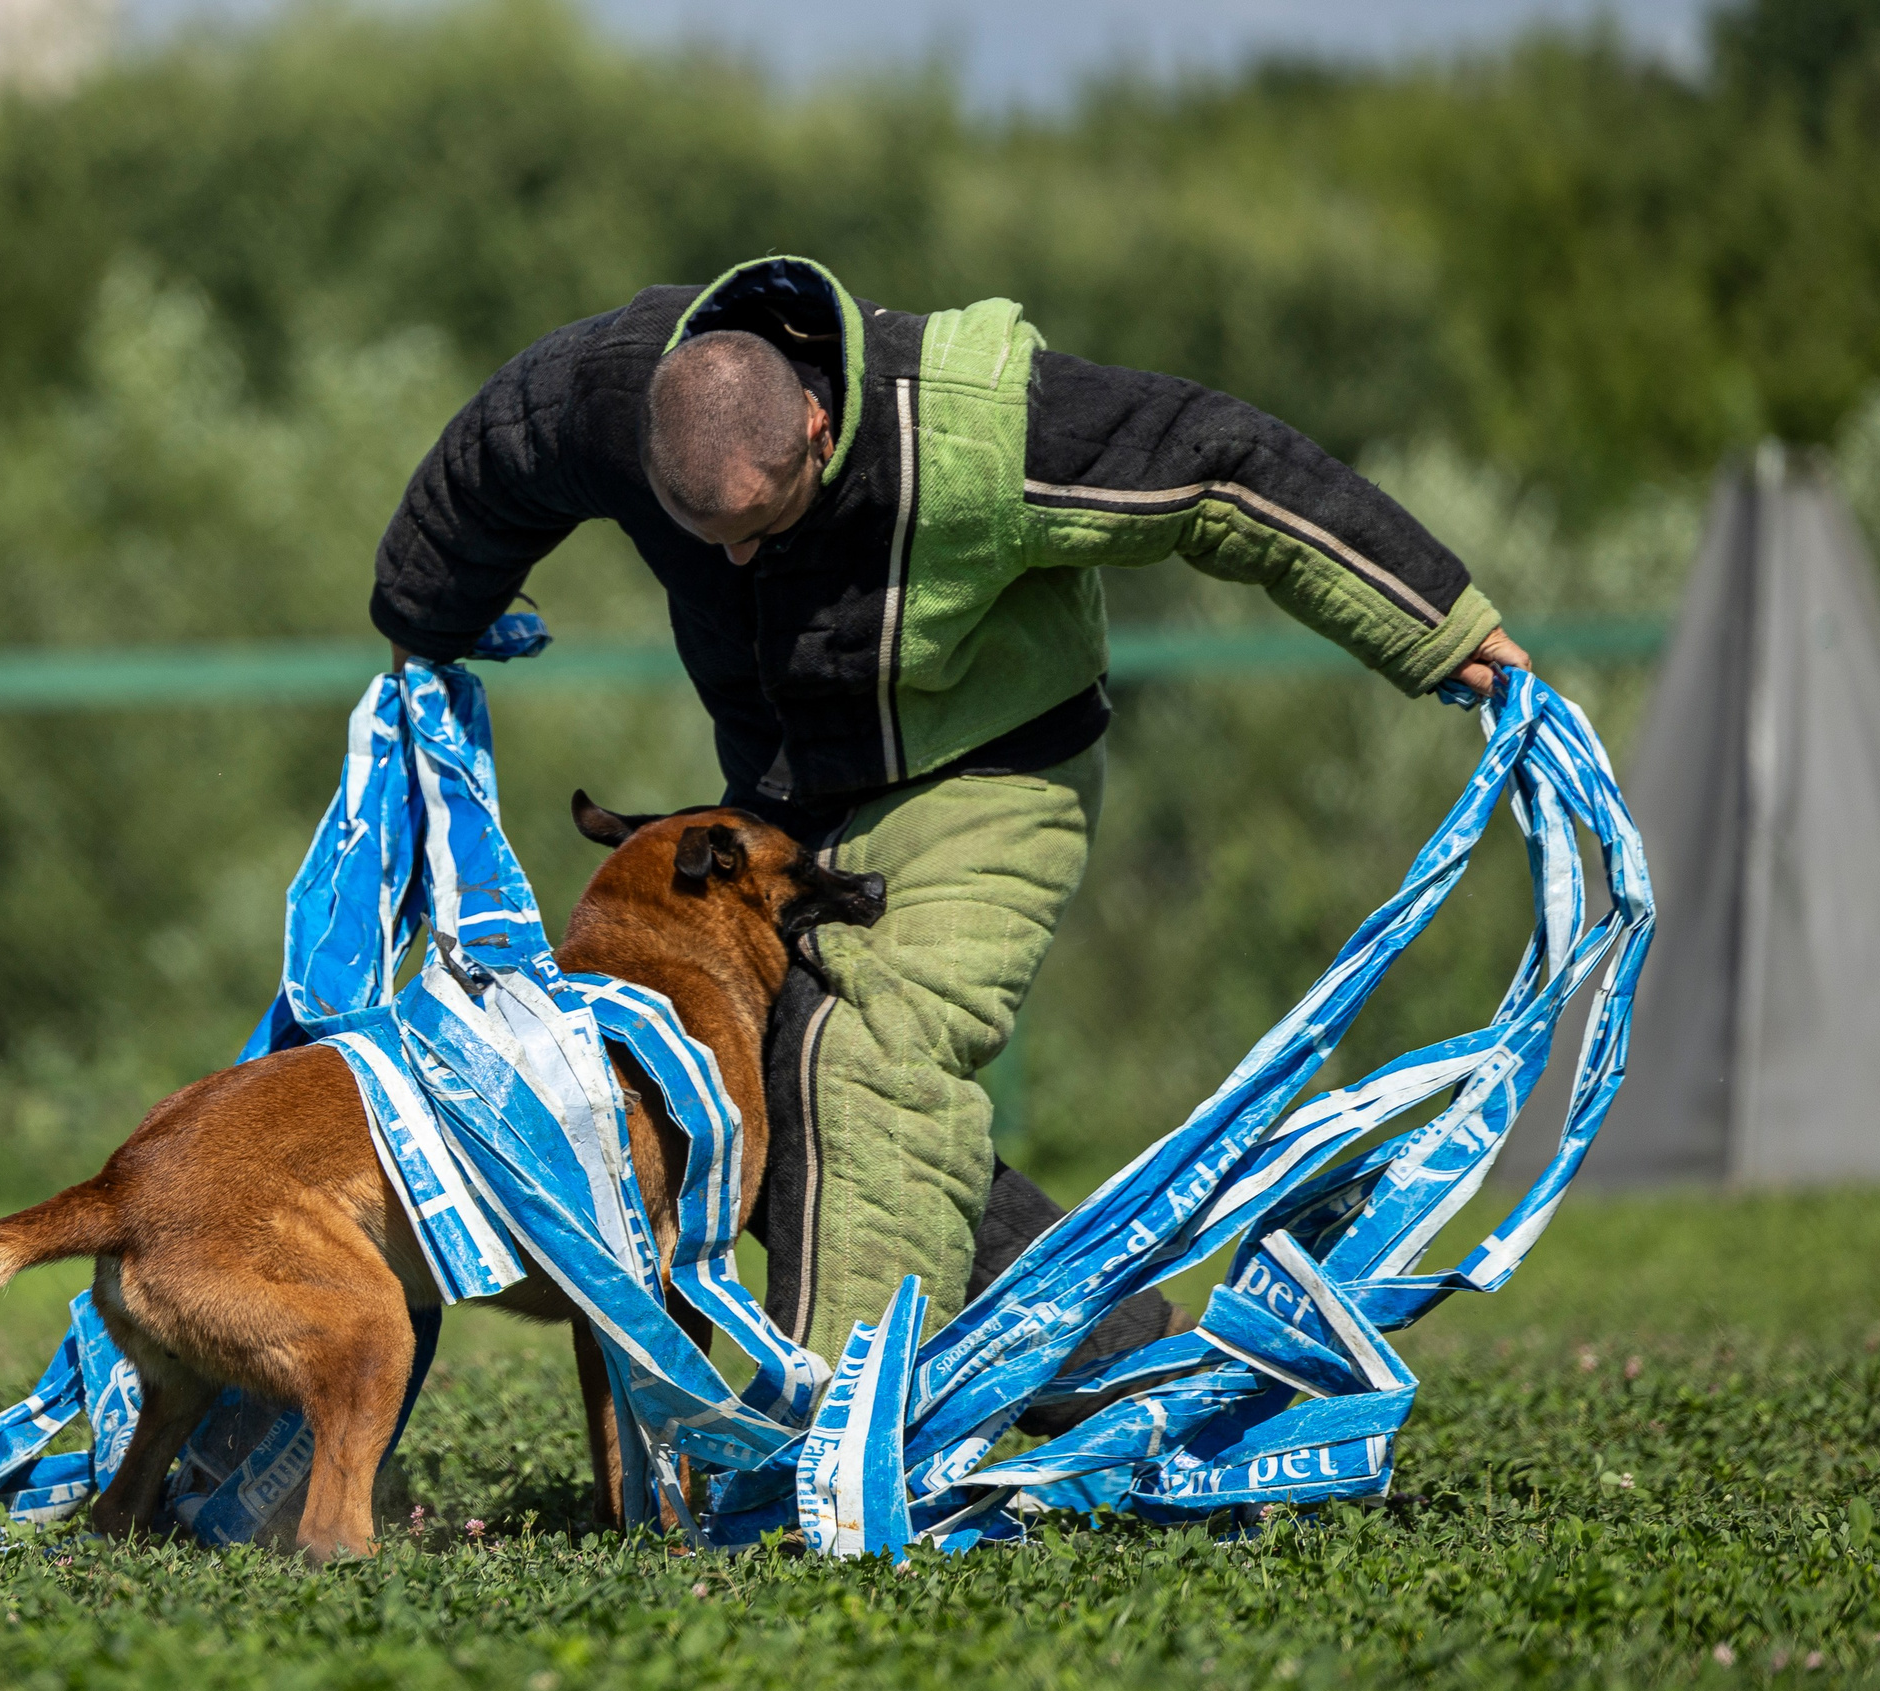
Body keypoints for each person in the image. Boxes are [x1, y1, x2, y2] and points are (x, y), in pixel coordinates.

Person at [368, 256, 1530, 1423]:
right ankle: (1117, 1367)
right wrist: (425, 626)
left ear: (818, 428)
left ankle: (836, 1441)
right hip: (791, 793)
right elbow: (493, 457)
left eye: (757, 524)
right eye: (699, 535)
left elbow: (1218, 466)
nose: (731, 563)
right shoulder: (614, 389)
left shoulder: (971, 424)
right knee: (734, 1099)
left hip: (990, 774)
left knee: (863, 1056)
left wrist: (1434, 627)